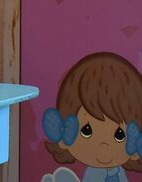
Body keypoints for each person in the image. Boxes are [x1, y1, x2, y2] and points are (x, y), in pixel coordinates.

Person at [42, 52, 142, 182]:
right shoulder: (94, 173)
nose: (103, 146)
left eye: (119, 134)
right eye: (86, 130)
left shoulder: (117, 172)